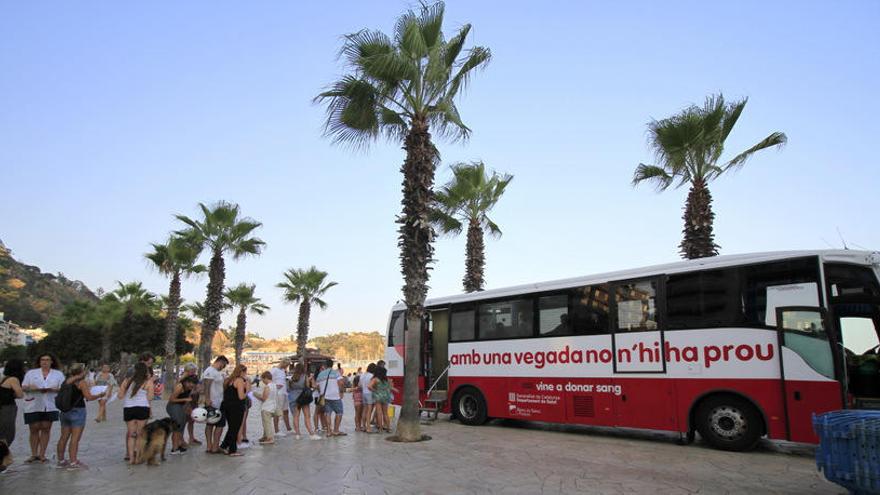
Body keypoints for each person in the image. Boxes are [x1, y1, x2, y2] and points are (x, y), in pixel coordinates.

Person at [56, 364, 106, 469]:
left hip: (65, 411)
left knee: (63, 437)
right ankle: (73, 462)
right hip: (77, 411)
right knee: (75, 438)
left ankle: (60, 460)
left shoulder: (66, 381)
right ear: (81, 372)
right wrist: (100, 395)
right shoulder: (81, 382)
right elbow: (89, 397)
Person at [22, 353, 65, 463]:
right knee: (34, 428)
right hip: (33, 403)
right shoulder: (31, 373)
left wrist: (53, 389)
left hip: (50, 404)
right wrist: (31, 387)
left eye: (47, 360)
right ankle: (34, 454)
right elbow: (24, 386)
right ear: (39, 361)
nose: (45, 362)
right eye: (42, 360)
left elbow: (63, 388)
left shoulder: (58, 374)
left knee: (46, 428)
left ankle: (42, 454)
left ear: (52, 361)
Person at [118, 362, 155, 464]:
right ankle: (138, 457)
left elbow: (120, 396)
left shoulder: (127, 381)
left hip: (129, 408)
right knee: (140, 434)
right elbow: (151, 397)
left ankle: (131, 459)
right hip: (142, 408)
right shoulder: (148, 382)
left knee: (131, 434)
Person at [219, 364, 248, 456]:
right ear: (242, 372)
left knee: (231, 428)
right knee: (234, 429)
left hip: (227, 406)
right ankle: (232, 450)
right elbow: (241, 396)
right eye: (245, 372)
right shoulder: (239, 380)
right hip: (236, 407)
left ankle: (224, 445)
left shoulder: (228, 380)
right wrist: (248, 390)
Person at [201, 355, 228, 454]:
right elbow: (207, 385)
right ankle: (212, 446)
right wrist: (207, 399)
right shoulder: (210, 371)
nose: (223, 367)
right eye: (223, 365)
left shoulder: (217, 372)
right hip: (213, 402)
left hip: (219, 401)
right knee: (215, 424)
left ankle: (213, 446)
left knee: (214, 424)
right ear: (220, 362)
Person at [166, 375, 198, 454]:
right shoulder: (180, 386)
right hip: (173, 406)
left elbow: (187, 400)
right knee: (177, 427)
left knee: (181, 426)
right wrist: (185, 399)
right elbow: (171, 399)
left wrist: (189, 409)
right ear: (186, 382)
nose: (192, 386)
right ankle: (174, 449)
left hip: (180, 407)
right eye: (191, 384)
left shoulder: (190, 388)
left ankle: (178, 444)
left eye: (194, 384)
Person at [287, 363, 319, 440]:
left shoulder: (290, 378)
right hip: (304, 398)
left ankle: (297, 434)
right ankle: (311, 434)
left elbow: (288, 389)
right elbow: (308, 387)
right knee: (307, 417)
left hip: (293, 399)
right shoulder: (305, 377)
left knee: (295, 417)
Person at [317, 362, 346, 437]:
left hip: (325, 396)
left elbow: (317, 386)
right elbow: (341, 383)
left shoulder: (320, 374)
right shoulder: (336, 373)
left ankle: (329, 432)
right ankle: (336, 430)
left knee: (327, 413)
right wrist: (341, 392)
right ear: (332, 365)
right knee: (339, 412)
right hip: (335, 396)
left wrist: (321, 392)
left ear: (325, 365)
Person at [0, 359, 25, 446]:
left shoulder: (4, 378)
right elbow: (20, 394)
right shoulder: (13, 379)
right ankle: (4, 454)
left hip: (2, 406)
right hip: (8, 408)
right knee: (8, 432)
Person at [369, 366, 397, 434]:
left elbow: (369, 386)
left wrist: (375, 390)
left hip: (378, 397)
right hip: (385, 397)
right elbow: (390, 387)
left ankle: (380, 429)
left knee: (379, 413)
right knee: (385, 413)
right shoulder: (387, 379)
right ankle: (388, 428)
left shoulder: (375, 379)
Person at [180, 363, 201, 445]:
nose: (194, 372)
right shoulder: (184, 378)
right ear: (187, 370)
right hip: (186, 401)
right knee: (184, 420)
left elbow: (198, 386)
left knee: (192, 420)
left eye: (194, 371)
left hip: (194, 400)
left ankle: (191, 438)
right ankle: (181, 439)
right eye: (192, 371)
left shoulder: (195, 377)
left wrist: (198, 390)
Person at [270, 359, 292, 437]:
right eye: (287, 365)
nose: (287, 366)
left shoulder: (283, 370)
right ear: (283, 363)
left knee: (286, 411)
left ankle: (289, 428)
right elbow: (268, 380)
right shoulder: (274, 370)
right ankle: (276, 430)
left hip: (285, 393)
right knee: (278, 412)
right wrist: (275, 386)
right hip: (279, 393)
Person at [255, 371, 276, 445]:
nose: (262, 381)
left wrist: (255, 394)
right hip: (272, 406)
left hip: (266, 407)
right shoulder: (274, 385)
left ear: (266, 378)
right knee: (266, 422)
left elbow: (263, 398)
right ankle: (265, 436)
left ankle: (270, 438)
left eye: (263, 379)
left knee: (267, 423)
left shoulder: (268, 387)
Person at [360, 363, 376, 435]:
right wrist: (375, 390)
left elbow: (359, 385)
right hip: (369, 394)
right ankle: (368, 427)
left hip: (363, 393)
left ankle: (363, 426)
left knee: (364, 410)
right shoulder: (372, 376)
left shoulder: (362, 375)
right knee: (369, 411)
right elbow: (371, 386)